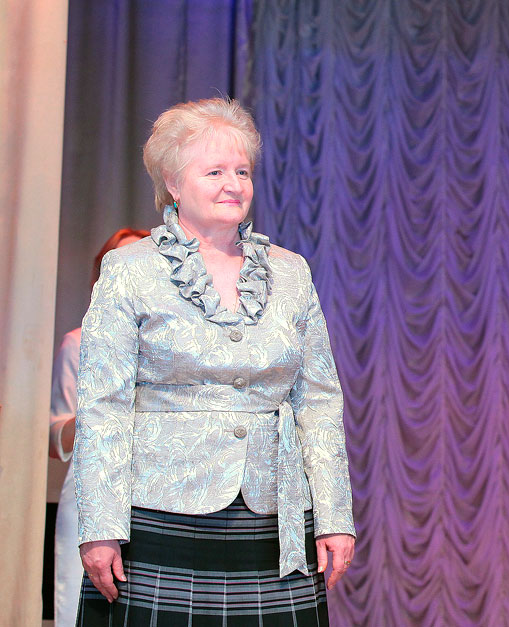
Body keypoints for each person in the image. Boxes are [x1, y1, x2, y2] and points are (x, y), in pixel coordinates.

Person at [73, 97, 356, 625]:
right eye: (215, 171)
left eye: (242, 171)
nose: (234, 184)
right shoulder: (129, 269)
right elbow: (102, 405)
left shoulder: (291, 271)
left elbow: (318, 400)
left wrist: (335, 516)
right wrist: (99, 526)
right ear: (174, 184)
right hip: (158, 515)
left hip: (274, 519)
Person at [48, 228, 149, 627]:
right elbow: (56, 437)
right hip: (91, 489)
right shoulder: (78, 342)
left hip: (159, 494)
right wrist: (101, 410)